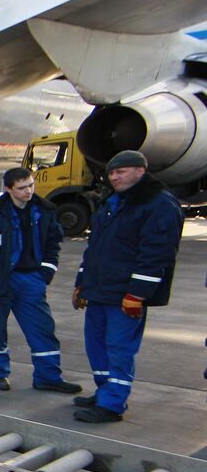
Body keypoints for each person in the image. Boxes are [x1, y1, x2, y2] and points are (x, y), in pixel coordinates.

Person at [71, 149, 184, 423]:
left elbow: (156, 254)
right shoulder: (113, 200)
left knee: (119, 349)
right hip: (99, 290)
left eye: (121, 172)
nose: (115, 177)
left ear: (140, 171)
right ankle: (104, 392)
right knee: (96, 345)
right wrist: (81, 283)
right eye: (111, 173)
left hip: (124, 295)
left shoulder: (158, 204)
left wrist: (137, 294)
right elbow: (94, 247)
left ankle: (112, 405)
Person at [0, 167, 82, 394]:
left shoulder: (44, 211)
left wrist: (45, 274)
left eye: (30, 185)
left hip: (30, 281)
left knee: (42, 329)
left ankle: (48, 377)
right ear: (8, 189)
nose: (28, 191)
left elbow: (53, 245)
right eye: (21, 188)